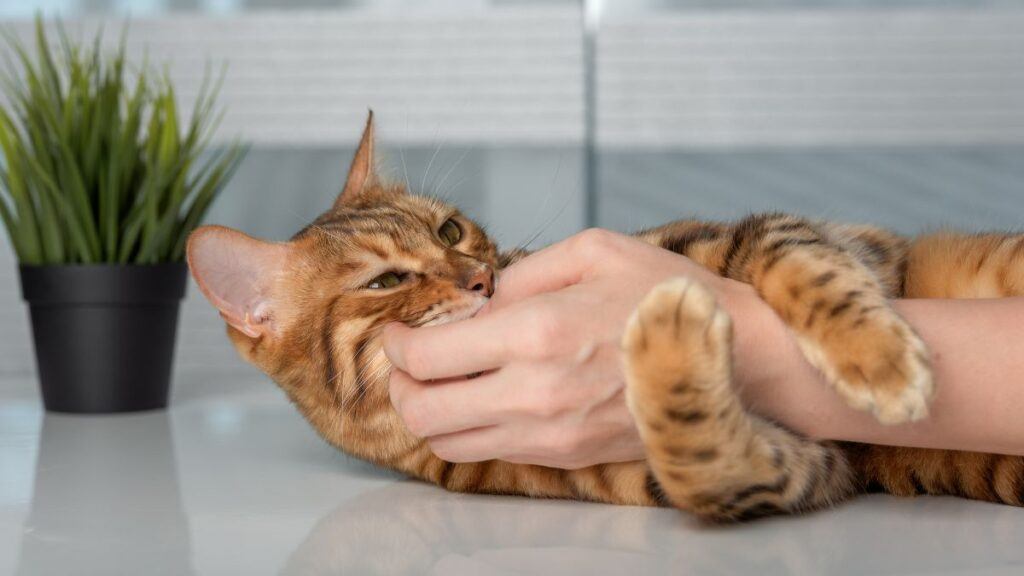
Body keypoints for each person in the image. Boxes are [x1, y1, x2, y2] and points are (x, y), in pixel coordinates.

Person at [383, 229, 1024, 469]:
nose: (467, 271)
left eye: (448, 231)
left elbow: (765, 240)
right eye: (385, 280)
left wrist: (749, 353)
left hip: (948, 283)